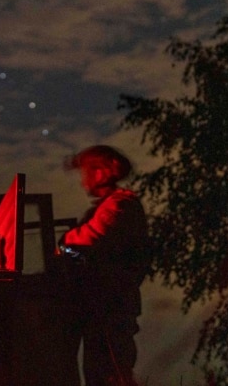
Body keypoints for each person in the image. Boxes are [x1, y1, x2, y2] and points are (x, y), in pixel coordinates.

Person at [59, 145, 150, 386]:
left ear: (100, 173)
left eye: (86, 172)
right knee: (99, 373)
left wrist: (62, 244)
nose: (82, 182)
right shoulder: (108, 207)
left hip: (112, 309)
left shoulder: (120, 206)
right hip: (102, 309)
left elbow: (90, 239)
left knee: (111, 374)